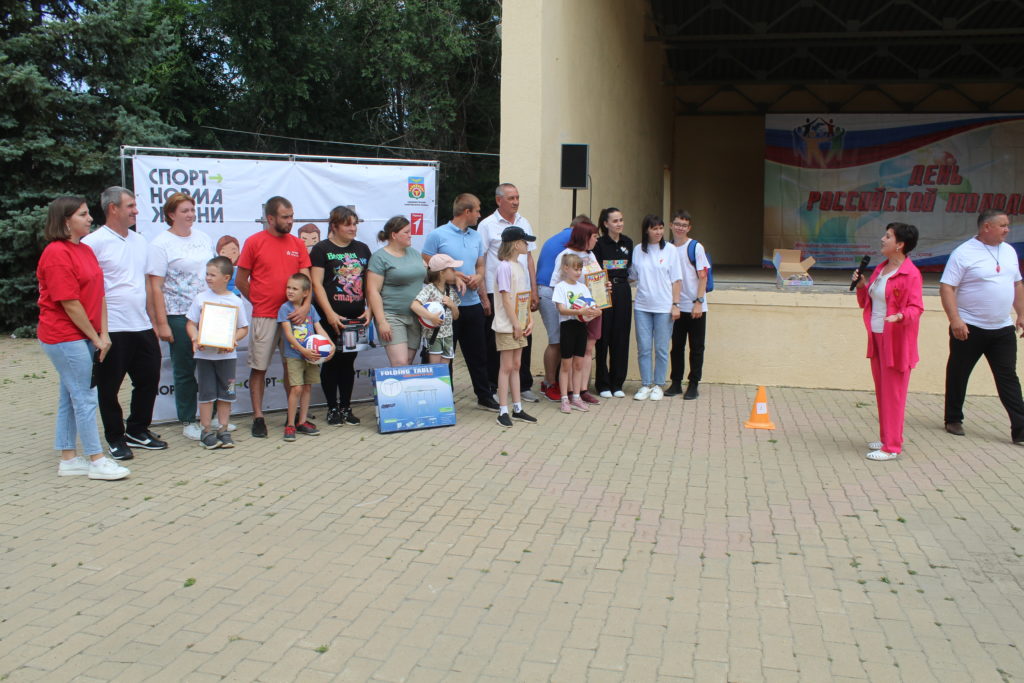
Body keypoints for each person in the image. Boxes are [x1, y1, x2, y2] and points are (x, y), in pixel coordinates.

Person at [38, 196, 128, 480]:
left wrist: (104, 333)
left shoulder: (85, 250)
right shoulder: (56, 253)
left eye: (88, 213)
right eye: (83, 214)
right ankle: (96, 459)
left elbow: (99, 294)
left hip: (86, 335)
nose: (90, 218)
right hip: (63, 336)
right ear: (66, 221)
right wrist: (95, 337)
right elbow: (69, 302)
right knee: (85, 396)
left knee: (70, 395)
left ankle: (68, 459)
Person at [82, 187, 166, 462]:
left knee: (149, 379)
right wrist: (98, 331)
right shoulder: (93, 243)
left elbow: (147, 284)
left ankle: (137, 430)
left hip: (141, 325)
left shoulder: (140, 241)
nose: (136, 211)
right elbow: (88, 288)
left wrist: (154, 321)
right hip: (112, 329)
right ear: (113, 208)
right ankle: (115, 438)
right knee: (109, 387)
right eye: (130, 206)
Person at [940, 209, 1024, 443]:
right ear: (987, 227)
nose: (1007, 229)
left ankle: (1020, 428)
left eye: (1007, 225)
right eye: (1003, 225)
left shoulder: (1009, 251)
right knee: (959, 373)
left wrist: (1021, 313)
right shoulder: (963, 253)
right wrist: (955, 320)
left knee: (1008, 377)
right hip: (970, 327)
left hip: (1002, 328)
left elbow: (1017, 284)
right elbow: (947, 287)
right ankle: (953, 418)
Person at [236, 196, 312, 438]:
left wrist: (304, 307)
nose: (290, 221)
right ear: (270, 218)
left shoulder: (298, 244)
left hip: (294, 318)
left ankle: (294, 418)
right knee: (259, 367)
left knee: (293, 367)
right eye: (285, 217)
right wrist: (258, 301)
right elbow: (240, 280)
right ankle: (258, 417)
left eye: (292, 216)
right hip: (265, 316)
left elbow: (306, 281)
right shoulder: (254, 242)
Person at [146, 192, 214, 440]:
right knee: (185, 368)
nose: (190, 215)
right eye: (184, 210)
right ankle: (188, 420)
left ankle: (211, 417)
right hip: (179, 314)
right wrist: (161, 322)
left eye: (192, 210)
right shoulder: (161, 244)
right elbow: (155, 287)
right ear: (171, 214)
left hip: (208, 311)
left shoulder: (203, 237)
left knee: (211, 365)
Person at [854, 223, 924, 461]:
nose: (883, 239)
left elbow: (916, 308)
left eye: (888, 236)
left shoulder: (910, 274)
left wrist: (901, 316)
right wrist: (862, 287)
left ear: (900, 244)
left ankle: (892, 447)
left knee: (893, 394)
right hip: (876, 336)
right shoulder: (881, 269)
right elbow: (867, 302)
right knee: (883, 391)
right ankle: (887, 437)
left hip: (896, 341)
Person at [422, 194, 499, 410]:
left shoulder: (476, 236)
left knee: (478, 354)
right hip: (445, 305)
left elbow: (480, 265)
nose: (479, 214)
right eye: (477, 210)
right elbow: (427, 262)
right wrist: (453, 275)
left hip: (472, 303)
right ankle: (444, 396)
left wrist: (479, 278)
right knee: (445, 353)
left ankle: (484, 396)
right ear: (467, 212)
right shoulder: (437, 234)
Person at [310, 206, 372, 426]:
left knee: (348, 363)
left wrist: (370, 310)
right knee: (331, 361)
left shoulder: (363, 249)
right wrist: (330, 314)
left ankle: (346, 407)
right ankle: (332, 408)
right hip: (329, 318)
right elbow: (316, 284)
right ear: (334, 226)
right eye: (347, 225)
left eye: (355, 224)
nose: (353, 228)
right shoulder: (321, 249)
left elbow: (370, 284)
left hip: (356, 318)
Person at [479, 183, 539, 402]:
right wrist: (483, 294)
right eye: (511, 198)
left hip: (521, 292)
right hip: (499, 292)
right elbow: (481, 259)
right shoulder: (487, 225)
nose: (516, 202)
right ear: (499, 200)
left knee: (523, 338)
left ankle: (522, 385)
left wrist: (533, 290)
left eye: (517, 197)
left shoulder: (524, 221)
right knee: (498, 340)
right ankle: (495, 386)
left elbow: (529, 258)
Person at [185, 256, 250, 450]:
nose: (208, 278)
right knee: (206, 394)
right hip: (205, 356)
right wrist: (195, 338)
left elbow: (243, 328)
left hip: (227, 358)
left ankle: (223, 429)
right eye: (207, 274)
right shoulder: (201, 298)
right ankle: (206, 431)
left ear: (226, 277)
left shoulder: (235, 301)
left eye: (213, 275)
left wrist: (232, 341)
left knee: (227, 393)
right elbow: (191, 324)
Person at [630, 215, 682, 401]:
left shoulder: (670, 250)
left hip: (664, 307)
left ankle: (659, 384)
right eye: (654, 228)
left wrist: (675, 305)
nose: (659, 232)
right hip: (642, 306)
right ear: (646, 230)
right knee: (644, 348)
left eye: (661, 228)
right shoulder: (638, 250)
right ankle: (646, 384)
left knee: (661, 348)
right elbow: (633, 275)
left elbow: (677, 280)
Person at [550, 220, 602, 404]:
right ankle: (569, 392)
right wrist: (574, 306)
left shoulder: (591, 255)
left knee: (587, 349)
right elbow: (556, 283)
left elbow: (597, 280)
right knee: (569, 355)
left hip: (592, 308)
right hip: (571, 315)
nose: (596, 240)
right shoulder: (565, 255)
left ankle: (582, 390)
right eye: (594, 236)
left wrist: (604, 288)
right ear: (584, 236)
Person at [491, 226, 539, 427]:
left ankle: (517, 408)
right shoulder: (504, 267)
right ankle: (503, 410)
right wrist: (515, 324)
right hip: (507, 325)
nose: (527, 245)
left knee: (517, 365)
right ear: (516, 244)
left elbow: (523, 297)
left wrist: (529, 320)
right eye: (525, 241)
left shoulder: (519, 266)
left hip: (520, 323)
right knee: (506, 367)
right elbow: (506, 299)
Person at [278, 273, 334, 441]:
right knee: (296, 388)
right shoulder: (285, 309)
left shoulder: (310, 309)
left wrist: (330, 344)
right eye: (288, 287)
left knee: (307, 387)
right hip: (294, 355)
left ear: (305, 293)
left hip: (311, 357)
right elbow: (288, 335)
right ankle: (290, 424)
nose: (290, 291)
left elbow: (319, 329)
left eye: (295, 288)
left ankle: (302, 422)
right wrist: (303, 350)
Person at [536, 216, 586, 401]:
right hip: (550, 291)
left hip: (547, 289)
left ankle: (557, 381)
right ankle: (549, 383)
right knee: (556, 340)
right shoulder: (572, 240)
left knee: (559, 339)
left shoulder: (559, 238)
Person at [367, 216, 427, 367]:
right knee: (400, 363)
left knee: (407, 363)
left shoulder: (414, 253)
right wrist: (382, 322)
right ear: (394, 235)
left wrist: (454, 276)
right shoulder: (379, 257)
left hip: (416, 316)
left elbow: (428, 277)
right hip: (392, 315)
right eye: (406, 232)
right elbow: (373, 291)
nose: (410, 235)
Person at [666, 210, 710, 400]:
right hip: (676, 306)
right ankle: (676, 382)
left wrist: (699, 302)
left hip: (695, 306)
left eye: (684, 225)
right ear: (671, 225)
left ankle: (693, 384)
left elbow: (703, 276)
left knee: (696, 347)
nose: (680, 228)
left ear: (689, 228)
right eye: (677, 224)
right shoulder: (667, 248)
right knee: (676, 347)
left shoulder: (695, 247)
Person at [592, 207, 633, 399]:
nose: (619, 224)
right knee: (603, 338)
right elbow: (595, 270)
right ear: (606, 223)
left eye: (621, 220)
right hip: (604, 292)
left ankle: (617, 383)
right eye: (615, 221)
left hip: (623, 291)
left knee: (621, 337)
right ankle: (602, 383)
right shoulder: (599, 244)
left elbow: (629, 268)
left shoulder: (628, 242)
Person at [411, 254, 462, 364]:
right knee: (435, 367)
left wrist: (452, 306)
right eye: (452, 269)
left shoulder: (450, 291)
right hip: (433, 336)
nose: (455, 272)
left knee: (445, 368)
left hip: (448, 335)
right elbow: (414, 305)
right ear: (442, 272)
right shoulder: (429, 289)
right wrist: (431, 317)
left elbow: (456, 316)